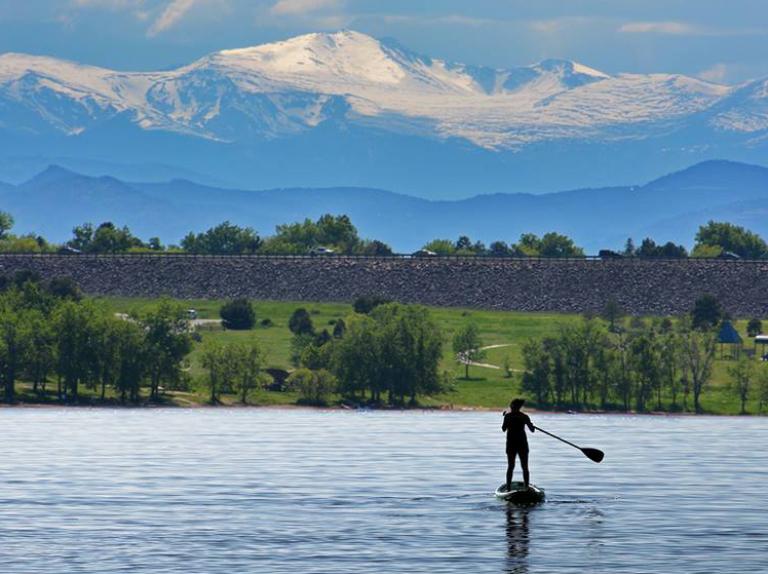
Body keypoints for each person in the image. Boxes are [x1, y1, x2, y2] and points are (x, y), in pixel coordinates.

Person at [502, 398, 535, 491]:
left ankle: (508, 488)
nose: (511, 407)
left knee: (511, 466)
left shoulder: (508, 416)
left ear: (514, 406)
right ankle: (526, 487)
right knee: (524, 467)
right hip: (522, 444)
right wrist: (530, 424)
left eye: (512, 406)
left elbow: (503, 429)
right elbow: (532, 430)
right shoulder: (524, 416)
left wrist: (505, 418)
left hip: (512, 444)